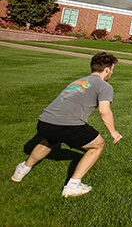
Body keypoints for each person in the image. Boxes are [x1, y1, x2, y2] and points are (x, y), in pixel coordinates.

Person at [11, 52, 122, 197]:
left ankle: (22, 169)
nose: (112, 73)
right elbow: (104, 111)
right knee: (98, 145)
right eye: (112, 69)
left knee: (50, 140)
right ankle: (73, 186)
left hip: (44, 121)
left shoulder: (78, 81)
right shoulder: (105, 86)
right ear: (107, 69)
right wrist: (113, 132)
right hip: (68, 125)